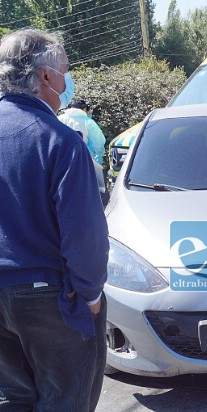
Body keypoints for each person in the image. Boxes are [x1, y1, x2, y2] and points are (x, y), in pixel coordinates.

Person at [0, 29, 109, 411]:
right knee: (65, 401)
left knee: (14, 400)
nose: (68, 79)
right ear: (45, 77)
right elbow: (85, 236)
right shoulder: (60, 140)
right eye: (64, 70)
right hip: (49, 299)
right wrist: (91, 295)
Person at [58, 97, 106, 164]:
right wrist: (99, 155)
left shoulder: (58, 119)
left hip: (60, 159)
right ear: (84, 108)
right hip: (83, 160)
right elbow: (98, 142)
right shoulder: (88, 122)